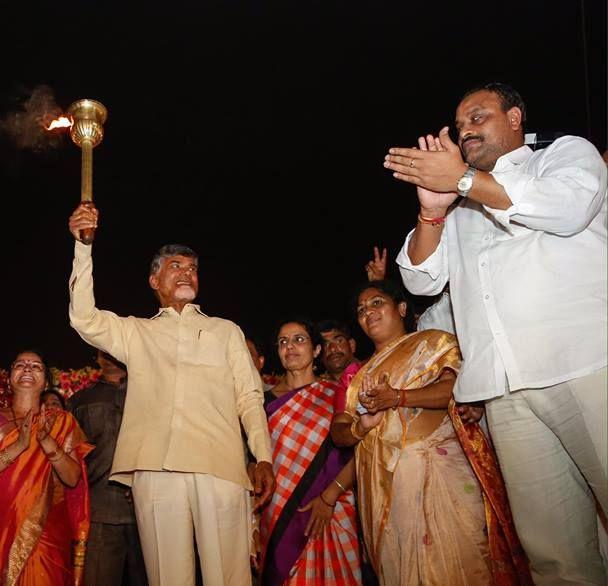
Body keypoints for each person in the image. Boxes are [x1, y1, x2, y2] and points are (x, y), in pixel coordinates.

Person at [386, 82, 607, 583]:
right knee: (552, 551)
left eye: (479, 117)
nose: (466, 129)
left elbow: (568, 210)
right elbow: (420, 277)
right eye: (460, 124)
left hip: (586, 365)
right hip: (505, 393)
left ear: (514, 119)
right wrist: (432, 211)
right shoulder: (460, 203)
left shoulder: (562, 155)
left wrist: (464, 180)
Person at [67, 204, 274, 586]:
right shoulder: (136, 332)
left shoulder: (225, 330)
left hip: (221, 465)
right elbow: (84, 318)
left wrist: (262, 456)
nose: (187, 273)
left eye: (192, 268)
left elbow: (249, 396)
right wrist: (83, 248)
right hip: (155, 469)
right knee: (167, 577)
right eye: (175, 266)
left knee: (229, 577)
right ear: (153, 280)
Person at [331, 280, 531, 585]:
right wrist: (360, 427)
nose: (368, 312)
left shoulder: (435, 343)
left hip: (441, 477)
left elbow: (457, 388)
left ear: (400, 308)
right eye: (361, 309)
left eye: (376, 303)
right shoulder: (359, 377)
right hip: (383, 496)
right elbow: (338, 432)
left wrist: (398, 397)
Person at [0, 350, 92, 585]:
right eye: (20, 365)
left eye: (36, 366)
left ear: (46, 381)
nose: (27, 369)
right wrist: (19, 447)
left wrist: (47, 442)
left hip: (46, 530)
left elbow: (73, 478)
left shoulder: (62, 422)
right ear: (10, 377)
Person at [260, 319, 360, 585]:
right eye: (283, 342)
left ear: (317, 350)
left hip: (333, 509)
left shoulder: (336, 394)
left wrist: (330, 497)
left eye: (299, 339)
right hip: (279, 513)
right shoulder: (263, 403)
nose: (290, 346)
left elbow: (362, 452)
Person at [68, 350, 148, 586]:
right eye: (104, 350)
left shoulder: (150, 393)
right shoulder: (80, 400)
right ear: (97, 357)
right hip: (100, 508)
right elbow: (71, 456)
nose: (110, 354)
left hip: (148, 505)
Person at [314, 320, 360, 384]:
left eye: (339, 341)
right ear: (318, 352)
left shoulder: (372, 374)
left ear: (352, 345)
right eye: (325, 344)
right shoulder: (316, 388)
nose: (332, 349)